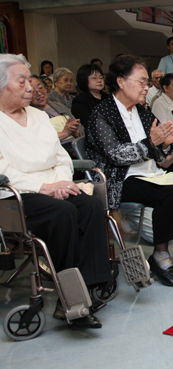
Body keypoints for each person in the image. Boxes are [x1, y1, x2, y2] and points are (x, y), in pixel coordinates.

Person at [0, 54, 111, 329]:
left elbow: (61, 157)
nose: (31, 87)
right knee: (63, 214)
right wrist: (46, 188)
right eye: (22, 81)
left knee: (90, 205)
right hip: (15, 196)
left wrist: (62, 183)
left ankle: (90, 284)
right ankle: (68, 296)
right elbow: (4, 172)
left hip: (54, 187)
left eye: (30, 80)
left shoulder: (38, 117)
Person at [85, 55, 173, 287]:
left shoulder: (142, 112)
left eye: (147, 83)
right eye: (142, 82)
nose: (147, 87)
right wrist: (153, 143)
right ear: (121, 81)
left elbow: (157, 154)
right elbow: (115, 155)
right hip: (120, 179)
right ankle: (160, 255)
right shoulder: (102, 113)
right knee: (170, 193)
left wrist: (172, 149)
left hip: (151, 173)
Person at [28, 75, 81, 147]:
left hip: (75, 145)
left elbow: (80, 130)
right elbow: (38, 140)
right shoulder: (29, 114)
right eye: (32, 91)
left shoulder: (59, 106)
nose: (39, 93)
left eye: (40, 88)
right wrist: (65, 133)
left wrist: (76, 133)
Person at [72, 64, 109, 129]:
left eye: (101, 77)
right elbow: (87, 124)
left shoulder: (108, 97)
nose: (99, 80)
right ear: (84, 80)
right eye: (94, 78)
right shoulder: (80, 100)